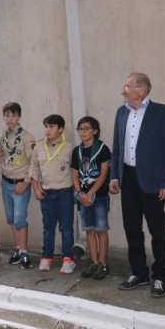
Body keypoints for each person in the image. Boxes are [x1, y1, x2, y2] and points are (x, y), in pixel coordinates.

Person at [109, 73, 165, 298]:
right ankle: (139, 272)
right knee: (132, 229)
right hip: (127, 179)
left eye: (127, 86)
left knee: (158, 231)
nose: (124, 90)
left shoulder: (162, 113)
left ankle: (160, 276)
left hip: (152, 182)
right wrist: (115, 177)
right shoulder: (121, 112)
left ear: (142, 89)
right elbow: (117, 147)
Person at [30, 114, 76, 274]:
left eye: (52, 127)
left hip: (65, 193)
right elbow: (33, 169)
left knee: (66, 228)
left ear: (61, 129)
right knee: (48, 228)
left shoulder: (69, 147)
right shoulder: (39, 146)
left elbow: (75, 172)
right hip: (46, 194)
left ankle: (68, 258)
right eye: (46, 127)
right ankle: (47, 257)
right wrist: (36, 189)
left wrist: (75, 193)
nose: (48, 130)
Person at [0, 102, 36, 268]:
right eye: (7, 115)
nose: (10, 118)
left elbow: (34, 162)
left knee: (20, 219)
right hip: (6, 183)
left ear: (19, 116)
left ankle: (25, 252)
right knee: (11, 218)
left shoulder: (27, 137)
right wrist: (6, 166)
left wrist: (26, 182)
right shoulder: (1, 137)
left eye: (13, 115)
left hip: (21, 184)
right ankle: (18, 249)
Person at [71, 116, 112, 280]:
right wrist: (80, 193)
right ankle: (94, 262)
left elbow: (104, 174)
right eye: (80, 129)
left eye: (86, 128)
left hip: (99, 196)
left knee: (101, 230)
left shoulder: (102, 149)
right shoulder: (77, 151)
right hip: (83, 197)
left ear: (95, 131)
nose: (82, 132)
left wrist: (91, 193)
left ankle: (103, 263)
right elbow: (75, 174)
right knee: (89, 230)